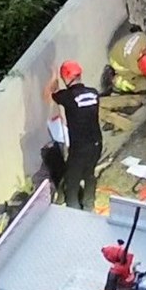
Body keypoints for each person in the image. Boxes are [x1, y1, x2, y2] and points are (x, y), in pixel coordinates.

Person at [47, 60, 104, 210]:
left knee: (72, 180)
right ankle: (89, 204)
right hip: (97, 143)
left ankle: (75, 211)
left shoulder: (68, 97)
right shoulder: (94, 93)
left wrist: (53, 77)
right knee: (89, 174)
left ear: (66, 77)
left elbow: (53, 94)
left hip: (80, 148)